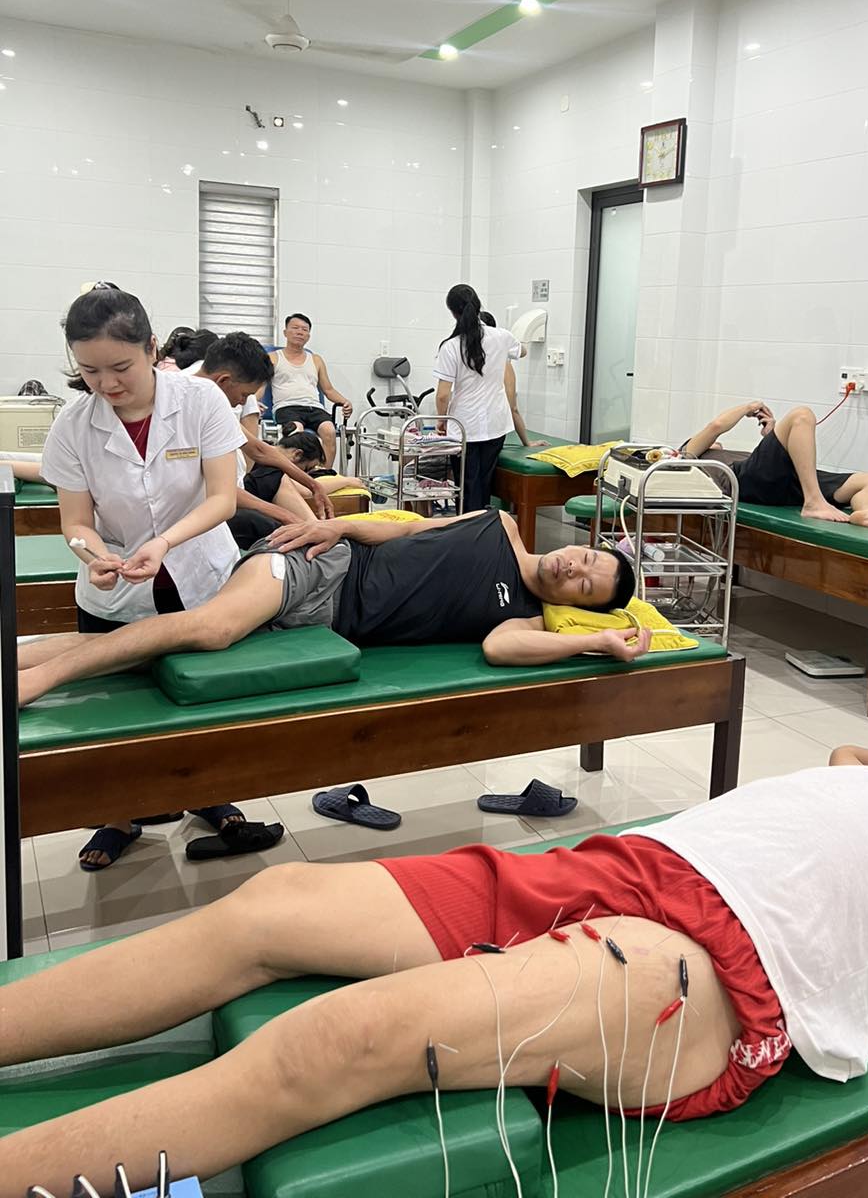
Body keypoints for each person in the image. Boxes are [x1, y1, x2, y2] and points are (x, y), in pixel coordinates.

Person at [4, 722, 868, 1191]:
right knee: (269, 906)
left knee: (346, 1038)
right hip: (629, 862)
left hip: (708, 966)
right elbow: (848, 755)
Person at [35, 287, 279, 870]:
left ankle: (208, 792)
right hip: (114, 591)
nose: (107, 384)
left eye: (120, 367)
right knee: (115, 714)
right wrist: (92, 554)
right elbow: (76, 522)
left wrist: (165, 541)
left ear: (150, 348)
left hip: (201, 579)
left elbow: (222, 499)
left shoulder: (200, 400)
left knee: (200, 702)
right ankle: (120, 815)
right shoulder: (73, 425)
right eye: (89, 371)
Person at [18, 508, 641, 706]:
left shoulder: (521, 619)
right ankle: (41, 680)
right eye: (587, 558)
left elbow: (501, 650)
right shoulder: (498, 524)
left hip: (321, 621)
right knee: (209, 631)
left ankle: (20, 661)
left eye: (586, 587)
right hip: (321, 568)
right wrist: (337, 524)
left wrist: (597, 642)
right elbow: (405, 530)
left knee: (179, 640)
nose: (574, 569)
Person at [184, 333, 334, 541]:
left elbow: (258, 449)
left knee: (275, 481)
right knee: (280, 531)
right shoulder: (191, 408)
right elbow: (221, 490)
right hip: (205, 508)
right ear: (224, 381)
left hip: (230, 495)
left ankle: (316, 529)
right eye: (244, 395)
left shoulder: (210, 396)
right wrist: (286, 516)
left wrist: (313, 484)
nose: (242, 403)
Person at [684, 400, 868, 529]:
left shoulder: (732, 455)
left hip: (787, 481)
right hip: (745, 482)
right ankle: (813, 502)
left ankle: (867, 514)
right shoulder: (690, 455)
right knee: (802, 415)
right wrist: (749, 407)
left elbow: (768, 469)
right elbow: (716, 426)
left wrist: (771, 436)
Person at [434, 285, 521, 509]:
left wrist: (441, 421)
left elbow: (443, 395)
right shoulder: (502, 336)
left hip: (464, 425)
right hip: (496, 423)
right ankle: (483, 524)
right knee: (485, 482)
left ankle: (468, 526)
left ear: (453, 312)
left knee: (467, 485)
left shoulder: (451, 346)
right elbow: (522, 351)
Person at [270, 312, 352, 467]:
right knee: (296, 432)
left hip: (313, 408)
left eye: (304, 329)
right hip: (287, 407)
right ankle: (296, 476)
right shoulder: (273, 358)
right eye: (295, 328)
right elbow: (259, 385)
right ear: (285, 332)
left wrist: (345, 402)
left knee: (329, 430)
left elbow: (328, 389)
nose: (300, 332)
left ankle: (324, 473)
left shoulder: (316, 360)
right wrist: (253, 402)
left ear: (308, 336)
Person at [481, 309, 545, 451]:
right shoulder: (502, 362)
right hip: (489, 433)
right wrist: (526, 442)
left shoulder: (464, 357)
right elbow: (512, 408)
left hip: (469, 430)